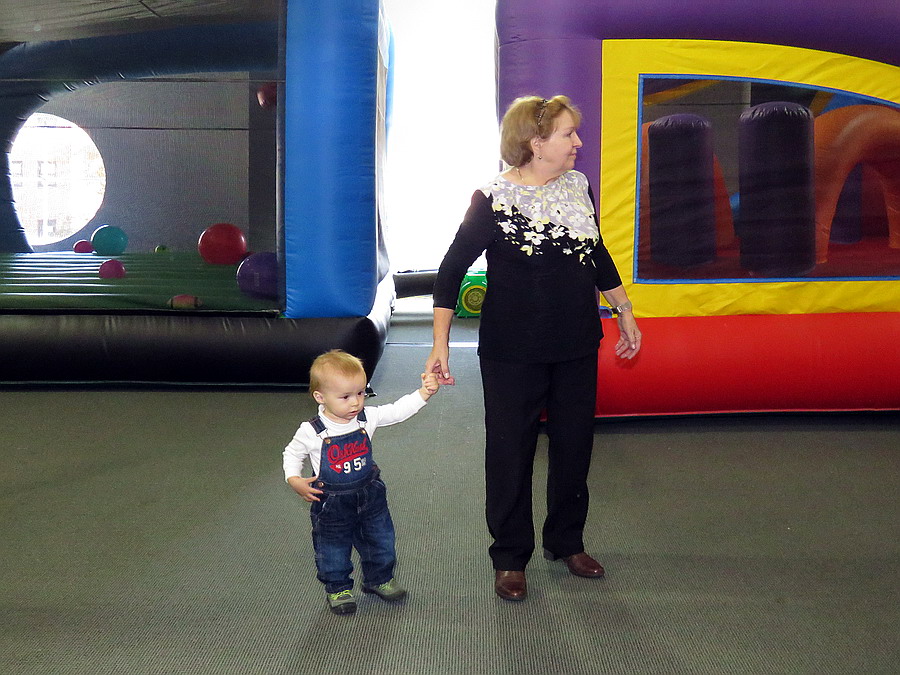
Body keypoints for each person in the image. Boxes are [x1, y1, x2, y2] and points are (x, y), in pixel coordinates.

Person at [426, 95, 641, 602]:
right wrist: (440, 343)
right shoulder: (492, 199)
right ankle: (509, 556)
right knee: (510, 451)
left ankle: (567, 542)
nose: (578, 142)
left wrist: (624, 309)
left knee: (574, 446)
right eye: (568, 134)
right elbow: (451, 270)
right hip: (511, 349)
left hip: (576, 342)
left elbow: (596, 251)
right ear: (535, 142)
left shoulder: (578, 185)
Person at [283, 349, 440, 615]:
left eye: (360, 393)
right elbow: (292, 453)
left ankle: (379, 579)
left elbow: (398, 411)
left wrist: (424, 393)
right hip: (332, 502)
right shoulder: (312, 430)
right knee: (333, 547)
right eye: (345, 397)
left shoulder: (367, 417)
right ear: (320, 397)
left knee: (381, 540)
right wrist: (294, 478)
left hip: (370, 494)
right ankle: (338, 588)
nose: (355, 402)